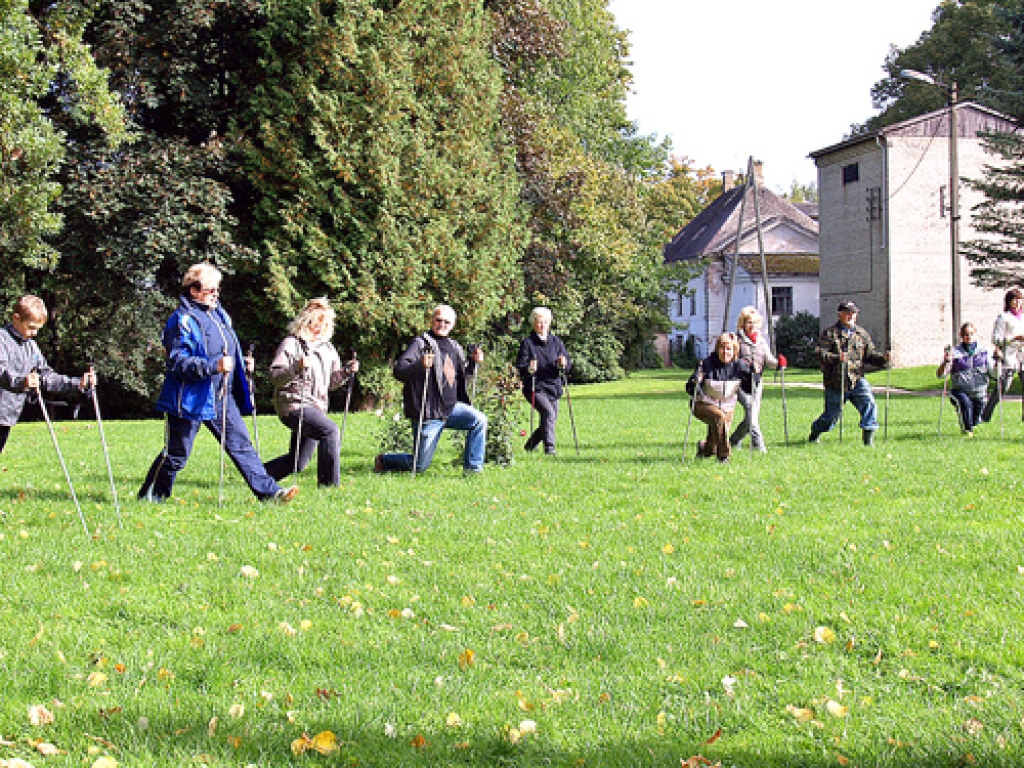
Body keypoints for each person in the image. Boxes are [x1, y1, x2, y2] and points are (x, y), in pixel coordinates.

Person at [138, 263, 298, 503]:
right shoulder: (182, 320)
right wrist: (214, 366)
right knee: (177, 455)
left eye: (217, 289)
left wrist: (242, 364)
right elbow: (178, 361)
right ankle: (151, 496)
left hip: (220, 394)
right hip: (189, 398)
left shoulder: (219, 314)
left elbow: (227, 349)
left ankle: (270, 493)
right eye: (210, 290)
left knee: (241, 444)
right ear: (193, 290)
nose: (216, 294)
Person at [375, 304, 486, 474]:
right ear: (431, 320)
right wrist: (420, 364)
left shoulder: (454, 347)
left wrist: (473, 362)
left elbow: (461, 379)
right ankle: (385, 461)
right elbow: (399, 371)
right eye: (438, 320)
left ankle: (473, 470)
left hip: (451, 409)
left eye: (446, 322)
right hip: (429, 413)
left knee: (479, 420)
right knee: (419, 466)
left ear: (453, 325)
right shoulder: (420, 344)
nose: (442, 324)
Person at [264, 298, 358, 487]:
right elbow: (275, 376)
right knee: (330, 431)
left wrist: (346, 372)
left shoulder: (328, 349)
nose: (319, 329)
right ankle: (329, 487)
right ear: (305, 322)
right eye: (316, 324)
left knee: (297, 462)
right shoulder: (292, 344)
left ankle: (258, 476)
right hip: (293, 404)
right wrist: (296, 367)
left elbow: (331, 383)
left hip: (316, 407)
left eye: (324, 325)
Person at [0, 295, 97, 454]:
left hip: (6, 417)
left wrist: (78, 383)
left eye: (38, 329)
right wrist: (22, 381)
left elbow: (46, 376)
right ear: (16, 319)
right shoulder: (2, 340)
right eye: (31, 327)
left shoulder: (31, 347)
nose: (35, 333)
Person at [809, 301, 889, 446]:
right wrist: (836, 358)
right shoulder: (830, 333)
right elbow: (820, 353)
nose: (851, 316)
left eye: (853, 313)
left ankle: (868, 440)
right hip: (836, 381)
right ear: (840, 314)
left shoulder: (862, 334)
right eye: (847, 313)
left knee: (869, 406)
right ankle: (815, 432)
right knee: (831, 417)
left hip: (857, 379)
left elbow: (870, 355)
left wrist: (883, 359)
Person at [728, 306, 786, 453]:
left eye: (754, 322)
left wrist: (779, 364)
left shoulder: (761, 341)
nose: (752, 326)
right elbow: (731, 361)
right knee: (750, 411)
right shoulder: (736, 340)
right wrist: (745, 366)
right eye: (748, 322)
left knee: (751, 416)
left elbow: (769, 361)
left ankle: (734, 440)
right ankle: (760, 447)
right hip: (739, 383)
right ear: (743, 324)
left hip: (757, 383)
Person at [686, 332, 750, 463]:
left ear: (734, 351)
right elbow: (689, 387)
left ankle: (705, 448)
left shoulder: (739, 365)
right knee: (718, 418)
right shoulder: (707, 364)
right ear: (717, 349)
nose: (725, 352)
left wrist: (754, 375)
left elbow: (749, 388)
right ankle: (724, 456)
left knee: (716, 438)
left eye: (728, 349)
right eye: (722, 348)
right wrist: (695, 382)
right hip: (703, 404)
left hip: (727, 406)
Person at [516, 307, 571, 455]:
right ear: (533, 323)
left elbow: (567, 365)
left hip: (553, 386)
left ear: (549, 323)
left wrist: (563, 364)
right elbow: (520, 366)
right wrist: (529, 367)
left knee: (550, 419)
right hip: (534, 387)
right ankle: (550, 449)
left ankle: (530, 445)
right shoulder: (528, 343)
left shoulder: (556, 342)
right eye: (539, 322)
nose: (542, 325)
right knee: (548, 414)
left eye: (545, 322)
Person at [937, 323, 999, 436]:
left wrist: (998, 362)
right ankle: (967, 431)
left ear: (976, 334)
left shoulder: (985, 352)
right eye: (965, 334)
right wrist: (946, 361)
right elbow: (941, 374)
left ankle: (971, 426)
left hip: (979, 393)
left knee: (975, 421)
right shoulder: (955, 353)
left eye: (971, 334)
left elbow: (995, 374)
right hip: (959, 390)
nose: (968, 337)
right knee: (964, 404)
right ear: (961, 335)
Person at [980, 288, 1024, 423]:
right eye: (1014, 299)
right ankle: (985, 415)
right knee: (1003, 388)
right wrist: (1013, 338)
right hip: (1009, 356)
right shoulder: (1003, 317)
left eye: (1019, 299)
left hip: (1022, 355)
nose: (1017, 302)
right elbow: (996, 339)